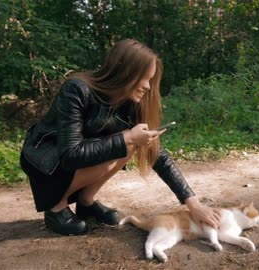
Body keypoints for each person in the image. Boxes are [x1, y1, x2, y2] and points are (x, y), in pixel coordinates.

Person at [20, 39, 221, 236]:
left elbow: (156, 154)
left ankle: (86, 202)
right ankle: (56, 208)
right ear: (126, 73)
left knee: (132, 142)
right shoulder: (77, 90)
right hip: (46, 158)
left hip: (81, 154)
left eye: (151, 80)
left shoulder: (130, 102)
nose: (148, 86)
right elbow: (70, 155)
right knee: (127, 141)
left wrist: (193, 204)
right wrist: (126, 138)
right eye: (145, 78)